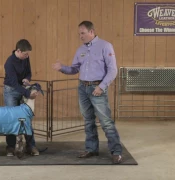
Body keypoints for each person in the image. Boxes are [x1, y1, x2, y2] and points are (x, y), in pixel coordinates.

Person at [52, 21, 123, 164]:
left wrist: (101, 87)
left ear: (92, 31)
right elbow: (74, 69)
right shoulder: (80, 50)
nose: (80, 36)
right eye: (79, 34)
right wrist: (62, 68)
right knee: (88, 120)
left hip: (97, 88)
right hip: (82, 88)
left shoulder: (105, 46)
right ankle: (91, 149)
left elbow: (113, 70)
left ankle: (116, 152)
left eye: (83, 33)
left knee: (106, 122)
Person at [3, 39, 39, 156]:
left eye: (28, 54)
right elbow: (13, 83)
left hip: (22, 89)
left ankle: (30, 145)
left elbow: (29, 72)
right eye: (25, 54)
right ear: (18, 51)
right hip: (11, 91)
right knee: (12, 119)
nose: (27, 56)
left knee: (26, 118)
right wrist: (28, 93)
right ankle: (11, 147)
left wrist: (27, 79)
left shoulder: (26, 58)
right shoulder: (9, 63)